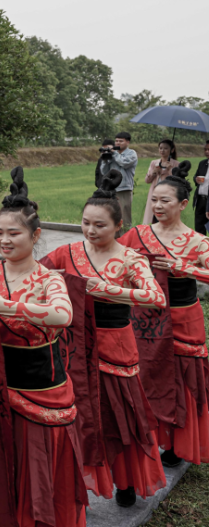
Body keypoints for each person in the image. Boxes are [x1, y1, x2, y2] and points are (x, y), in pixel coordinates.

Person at [0, 168, 88, 526]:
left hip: (42, 390)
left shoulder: (48, 278)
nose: (4, 240)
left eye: (14, 233)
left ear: (36, 235)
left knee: (37, 473)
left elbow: (62, 315)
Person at [43, 170, 166, 507]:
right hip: (73, 346)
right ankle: (76, 481)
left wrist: (104, 290)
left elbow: (156, 298)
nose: (91, 231)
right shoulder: (68, 252)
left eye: (99, 225)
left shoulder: (130, 259)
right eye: (85, 223)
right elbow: (36, 275)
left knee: (118, 416)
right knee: (78, 414)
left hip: (115, 345)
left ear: (119, 227)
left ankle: (125, 479)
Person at [120, 162, 209, 467]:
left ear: (184, 204)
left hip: (184, 319)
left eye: (165, 201)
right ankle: (151, 434)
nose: (158, 205)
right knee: (148, 374)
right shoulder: (138, 234)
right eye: (154, 200)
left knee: (183, 379)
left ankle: (178, 442)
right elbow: (112, 261)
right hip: (145, 320)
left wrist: (182, 268)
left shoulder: (197, 241)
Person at [97, 132, 138, 234]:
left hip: (124, 188)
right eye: (116, 141)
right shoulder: (113, 154)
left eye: (121, 141)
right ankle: (113, 238)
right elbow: (104, 171)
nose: (118, 143)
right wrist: (105, 159)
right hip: (111, 189)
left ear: (127, 142)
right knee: (112, 214)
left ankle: (126, 237)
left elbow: (124, 163)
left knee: (124, 215)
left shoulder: (131, 153)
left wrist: (114, 153)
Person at [142, 139, 179, 225]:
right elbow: (147, 181)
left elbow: (178, 181)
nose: (162, 150)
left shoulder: (176, 164)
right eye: (160, 148)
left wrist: (170, 170)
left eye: (165, 148)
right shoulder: (154, 163)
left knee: (165, 217)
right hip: (154, 193)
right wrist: (153, 172)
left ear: (172, 150)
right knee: (153, 217)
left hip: (168, 194)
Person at [195, 141, 209, 236]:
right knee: (199, 228)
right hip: (200, 200)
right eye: (205, 149)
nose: (207, 152)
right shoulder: (202, 163)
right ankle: (201, 249)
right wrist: (196, 179)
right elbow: (196, 177)